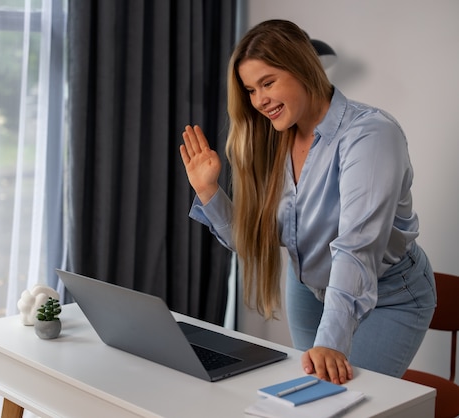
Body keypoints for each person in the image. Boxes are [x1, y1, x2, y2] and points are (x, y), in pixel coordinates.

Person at [179, 19, 436, 385]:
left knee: (344, 401)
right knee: (311, 396)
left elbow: (356, 248)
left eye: (268, 83)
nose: (259, 100)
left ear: (303, 67)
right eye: (251, 90)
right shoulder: (275, 139)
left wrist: (331, 342)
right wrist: (208, 191)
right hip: (309, 286)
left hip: (389, 294)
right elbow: (255, 241)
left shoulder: (370, 135)